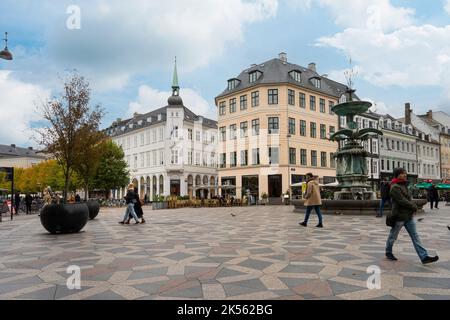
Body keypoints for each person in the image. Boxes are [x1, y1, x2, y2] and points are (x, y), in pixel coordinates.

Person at [385, 168, 439, 264]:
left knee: (415, 236)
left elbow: (409, 199)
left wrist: (412, 207)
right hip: (399, 216)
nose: (405, 175)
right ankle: (388, 252)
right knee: (393, 236)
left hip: (408, 216)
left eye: (405, 173)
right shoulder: (395, 187)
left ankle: (424, 257)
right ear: (397, 175)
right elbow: (401, 200)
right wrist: (414, 206)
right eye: (402, 173)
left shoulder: (405, 185)